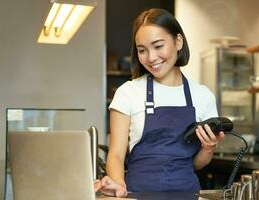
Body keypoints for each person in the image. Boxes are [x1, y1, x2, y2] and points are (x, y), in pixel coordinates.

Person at [95, 8, 225, 197]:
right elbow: (115, 155)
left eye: (158, 46)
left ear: (178, 41)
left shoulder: (203, 96)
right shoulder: (128, 93)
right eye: (142, 50)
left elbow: (197, 163)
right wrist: (119, 186)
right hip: (137, 194)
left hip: (187, 194)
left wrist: (208, 147)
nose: (151, 58)